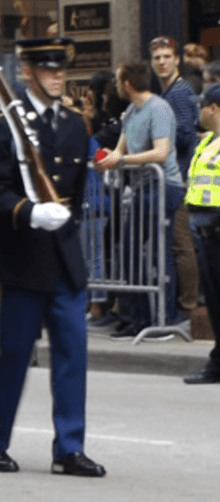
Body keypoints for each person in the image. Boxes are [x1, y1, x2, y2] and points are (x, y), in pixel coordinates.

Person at [0, 37, 106, 477]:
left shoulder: (74, 125)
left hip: (64, 259)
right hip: (20, 258)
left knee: (73, 353)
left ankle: (69, 447)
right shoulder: (3, 125)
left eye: (60, 69)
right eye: (47, 69)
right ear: (27, 73)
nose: (57, 76)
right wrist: (29, 211)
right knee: (10, 355)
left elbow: (75, 190)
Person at [93, 61, 187, 341]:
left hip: (161, 187)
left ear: (128, 84)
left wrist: (120, 159)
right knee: (130, 253)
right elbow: (121, 149)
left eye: (119, 79)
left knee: (158, 253)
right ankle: (137, 319)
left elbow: (161, 153)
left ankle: (162, 319)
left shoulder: (158, 108)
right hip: (140, 189)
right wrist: (107, 158)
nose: (116, 84)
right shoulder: (131, 111)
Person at [150, 37, 199, 323]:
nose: (162, 62)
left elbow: (187, 135)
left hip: (180, 178)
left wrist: (156, 139)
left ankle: (187, 307)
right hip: (177, 176)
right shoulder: (170, 92)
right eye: (157, 58)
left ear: (177, 59)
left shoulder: (178, 92)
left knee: (182, 245)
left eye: (167, 56)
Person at [183, 84, 220, 384]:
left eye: (202, 105)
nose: (199, 111)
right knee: (215, 304)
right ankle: (217, 364)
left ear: (214, 109)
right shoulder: (207, 142)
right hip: (206, 234)